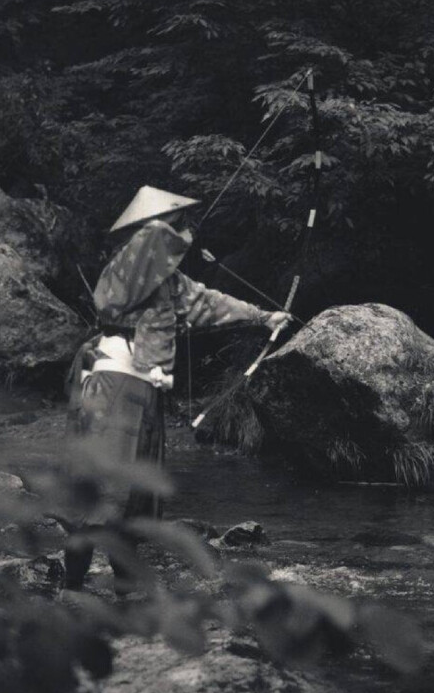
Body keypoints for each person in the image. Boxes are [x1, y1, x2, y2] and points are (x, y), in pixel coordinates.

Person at [63, 185, 289, 592]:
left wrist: (263, 316)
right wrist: (171, 227)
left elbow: (207, 303)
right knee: (105, 485)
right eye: (175, 222)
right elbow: (155, 242)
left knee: (139, 493)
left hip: (144, 386)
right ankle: (71, 586)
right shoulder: (131, 261)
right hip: (112, 381)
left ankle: (125, 587)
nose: (182, 230)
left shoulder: (169, 280)